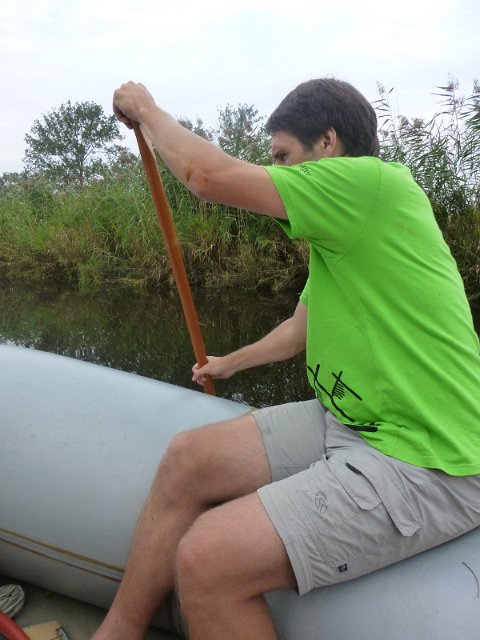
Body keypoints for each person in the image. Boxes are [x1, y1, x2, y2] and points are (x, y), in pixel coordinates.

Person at [91, 78, 480, 640]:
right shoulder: (345, 235)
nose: (276, 169)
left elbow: (205, 177)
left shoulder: (369, 185)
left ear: (327, 142)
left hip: (430, 459)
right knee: (186, 458)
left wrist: (146, 111)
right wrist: (231, 363)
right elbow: (299, 331)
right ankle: (117, 632)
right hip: (356, 425)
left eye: (281, 156)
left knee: (206, 559)